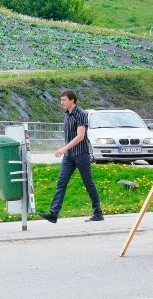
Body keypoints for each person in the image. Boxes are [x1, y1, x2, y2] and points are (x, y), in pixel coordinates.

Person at [38, 89, 104, 223]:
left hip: (81, 154)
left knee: (88, 183)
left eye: (64, 100)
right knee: (61, 183)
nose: (61, 102)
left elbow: (80, 136)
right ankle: (53, 213)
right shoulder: (67, 114)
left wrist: (64, 148)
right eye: (61, 99)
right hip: (69, 156)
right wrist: (66, 151)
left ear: (72, 100)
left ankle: (98, 213)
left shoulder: (81, 114)